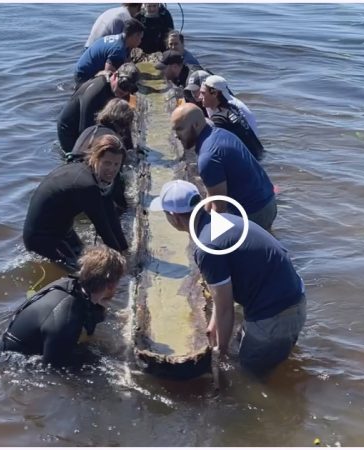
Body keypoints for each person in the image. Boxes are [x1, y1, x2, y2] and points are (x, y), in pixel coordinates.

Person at [149, 180, 306, 376]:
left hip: (274, 314)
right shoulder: (222, 220)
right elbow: (224, 294)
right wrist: (213, 326)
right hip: (294, 299)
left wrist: (219, 357)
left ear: (174, 217)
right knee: (258, 358)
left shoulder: (207, 247)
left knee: (247, 378)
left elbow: (225, 309)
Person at [0, 245, 126, 365]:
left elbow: (93, 313)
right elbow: (55, 370)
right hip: (14, 362)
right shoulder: (67, 316)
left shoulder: (70, 284)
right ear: (111, 284)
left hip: (17, 343)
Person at [23, 135, 129, 270]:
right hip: (42, 239)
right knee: (85, 273)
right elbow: (102, 227)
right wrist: (122, 263)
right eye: (107, 163)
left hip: (64, 230)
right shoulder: (86, 186)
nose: (112, 169)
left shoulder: (94, 174)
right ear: (96, 158)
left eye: (116, 164)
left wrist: (125, 249)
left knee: (86, 260)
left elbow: (111, 215)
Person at [170, 103, 276, 230]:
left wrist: (205, 236)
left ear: (196, 125)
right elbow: (212, 193)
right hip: (268, 201)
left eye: (180, 129)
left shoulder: (208, 157)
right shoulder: (218, 134)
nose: (176, 135)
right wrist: (205, 214)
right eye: (175, 130)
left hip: (254, 212)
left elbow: (219, 207)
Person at [58, 63, 140, 154]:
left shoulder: (123, 92)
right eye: (123, 85)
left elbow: (124, 125)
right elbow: (85, 128)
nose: (124, 91)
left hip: (94, 120)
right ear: (115, 75)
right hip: (70, 128)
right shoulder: (97, 90)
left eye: (130, 88)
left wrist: (130, 150)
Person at [70, 99, 135, 210]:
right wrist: (124, 206)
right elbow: (116, 180)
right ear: (125, 122)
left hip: (70, 177)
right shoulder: (112, 142)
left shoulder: (89, 130)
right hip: (88, 183)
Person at [199, 75, 265, 160]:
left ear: (214, 93)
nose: (200, 97)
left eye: (203, 93)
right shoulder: (233, 108)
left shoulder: (220, 119)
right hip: (259, 154)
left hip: (250, 161)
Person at [74, 19, 144, 85]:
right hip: (84, 75)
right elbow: (109, 75)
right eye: (140, 37)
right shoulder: (118, 50)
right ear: (133, 36)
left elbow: (127, 64)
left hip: (83, 69)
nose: (140, 41)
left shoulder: (122, 40)